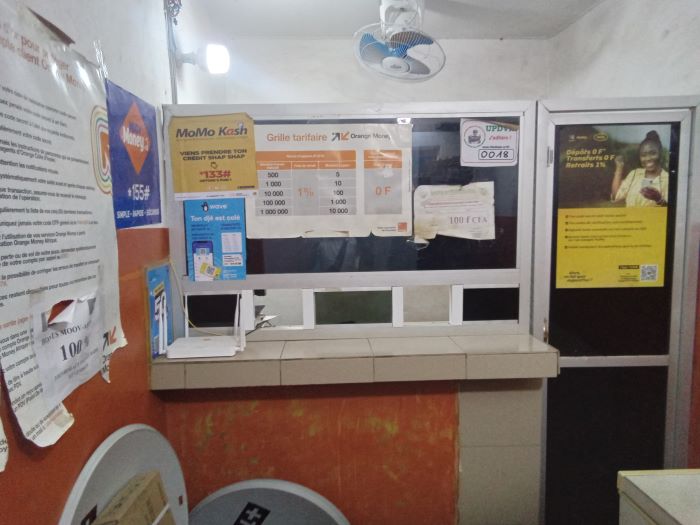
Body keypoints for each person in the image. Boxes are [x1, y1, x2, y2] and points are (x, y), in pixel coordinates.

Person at [611, 130, 668, 206]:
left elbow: (673, 210)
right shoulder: (634, 174)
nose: (648, 158)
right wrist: (619, 167)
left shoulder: (668, 179)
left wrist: (659, 199)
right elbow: (616, 196)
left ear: (660, 153)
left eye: (653, 153)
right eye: (643, 155)